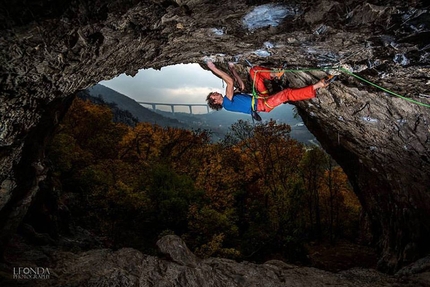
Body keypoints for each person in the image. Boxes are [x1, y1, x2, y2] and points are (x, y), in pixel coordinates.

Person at [205, 60, 334, 121]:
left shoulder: (229, 100)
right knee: (286, 94)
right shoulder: (227, 103)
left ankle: (275, 74)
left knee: (254, 71)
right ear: (215, 101)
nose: (215, 93)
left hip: (261, 97)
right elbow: (230, 81)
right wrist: (213, 68)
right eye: (213, 95)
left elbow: (241, 86)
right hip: (263, 105)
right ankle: (319, 85)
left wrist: (232, 69)